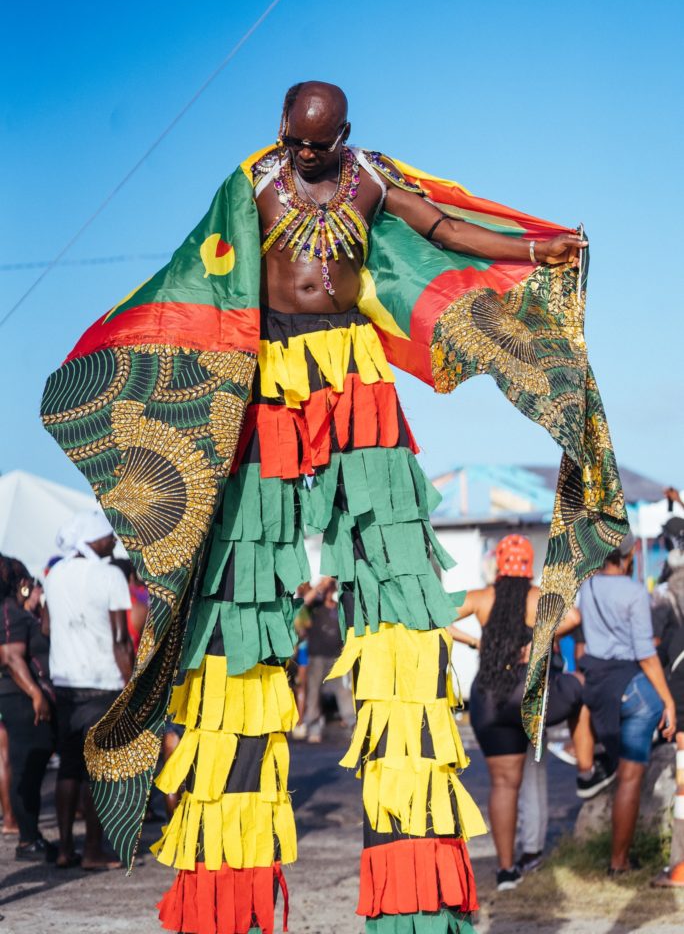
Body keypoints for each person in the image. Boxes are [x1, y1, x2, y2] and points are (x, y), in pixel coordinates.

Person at [41, 81, 628, 934]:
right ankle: (225, 897)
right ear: (284, 127)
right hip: (269, 379)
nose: (308, 153)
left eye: (323, 143)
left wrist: (532, 251)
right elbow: (193, 274)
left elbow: (445, 230)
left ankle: (415, 906)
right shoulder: (251, 185)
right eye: (298, 140)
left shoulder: (371, 179)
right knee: (241, 610)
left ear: (342, 134)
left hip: (354, 375)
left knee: (401, 597)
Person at [449, 534, 583, 890]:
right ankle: (588, 767)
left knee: (504, 785)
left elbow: (432, 615)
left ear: (496, 563)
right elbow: (573, 616)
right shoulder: (536, 598)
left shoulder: (481, 598)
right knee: (580, 685)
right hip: (528, 694)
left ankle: (506, 871)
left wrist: (477, 642)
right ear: (528, 566)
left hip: (488, 698)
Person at [576, 531, 676, 875]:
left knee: (621, 769)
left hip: (599, 687)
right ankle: (619, 861)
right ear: (628, 556)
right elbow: (646, 654)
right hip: (634, 690)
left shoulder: (586, 588)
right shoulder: (634, 593)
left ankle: (588, 773)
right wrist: (668, 701)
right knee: (631, 777)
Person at [43, 509, 133, 869]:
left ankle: (65, 848)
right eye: (109, 536)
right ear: (93, 539)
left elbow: (47, 627)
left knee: (68, 766)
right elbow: (120, 640)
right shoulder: (110, 575)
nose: (113, 541)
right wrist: (130, 689)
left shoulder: (55, 574)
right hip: (102, 684)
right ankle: (93, 851)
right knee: (98, 771)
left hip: (64, 682)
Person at [0, 556, 56, 860]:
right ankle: (27, 838)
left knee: (32, 765)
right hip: (20, 699)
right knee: (26, 766)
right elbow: (10, 656)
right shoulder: (8, 612)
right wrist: (36, 693)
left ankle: (30, 835)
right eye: (25, 580)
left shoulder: (15, 611)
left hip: (23, 697)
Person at [651, 499, 684, 888]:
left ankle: (679, 866)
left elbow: (652, 645)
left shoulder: (665, 593)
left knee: (682, 784)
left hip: (680, 686)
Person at [294, 577, 355, 743]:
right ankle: (313, 728)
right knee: (313, 692)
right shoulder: (315, 607)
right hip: (316, 656)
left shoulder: (338, 608)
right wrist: (321, 585)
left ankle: (352, 725)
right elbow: (304, 603)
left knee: (344, 691)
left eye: (331, 589)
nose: (329, 592)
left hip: (336, 657)